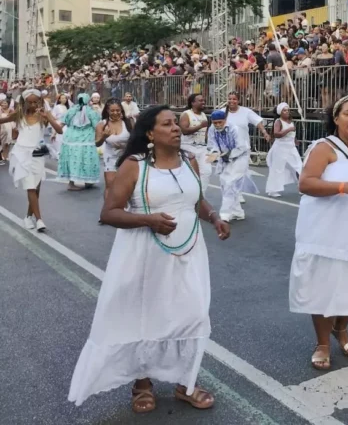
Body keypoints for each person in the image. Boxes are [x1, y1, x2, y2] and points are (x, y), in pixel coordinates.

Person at [68, 106, 230, 413]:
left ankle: (186, 382)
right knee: (146, 315)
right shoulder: (135, 165)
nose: (176, 128)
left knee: (191, 313)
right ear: (150, 134)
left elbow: (194, 200)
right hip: (145, 254)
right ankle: (142, 384)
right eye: (167, 124)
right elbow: (109, 212)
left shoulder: (190, 160)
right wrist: (149, 220)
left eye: (176, 123)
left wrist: (214, 217)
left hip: (189, 251)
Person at [289, 95, 348, 370]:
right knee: (323, 289)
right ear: (336, 118)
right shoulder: (324, 147)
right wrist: (342, 187)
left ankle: (340, 327)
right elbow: (305, 184)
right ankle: (322, 342)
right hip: (326, 234)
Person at [0, 89, 63, 232]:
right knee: (30, 187)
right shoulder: (19, 115)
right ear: (25, 102)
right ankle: (39, 219)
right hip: (22, 155)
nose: (33, 104)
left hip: (38, 154)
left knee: (36, 189)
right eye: (30, 102)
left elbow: (59, 131)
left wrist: (48, 117)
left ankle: (28, 217)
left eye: (36, 101)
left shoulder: (44, 116)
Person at [207, 110, 254, 222]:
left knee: (230, 184)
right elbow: (212, 144)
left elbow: (242, 147)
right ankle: (238, 212)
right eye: (215, 123)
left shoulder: (235, 129)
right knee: (224, 184)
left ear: (225, 120)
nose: (218, 125)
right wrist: (215, 153)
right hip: (224, 158)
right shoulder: (212, 129)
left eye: (220, 122)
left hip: (240, 157)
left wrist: (229, 154)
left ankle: (225, 214)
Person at [58, 93, 102, 191]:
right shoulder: (91, 112)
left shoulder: (72, 110)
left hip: (70, 139)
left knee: (73, 159)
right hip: (86, 139)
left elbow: (62, 122)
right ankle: (88, 181)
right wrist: (100, 138)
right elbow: (97, 126)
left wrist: (55, 132)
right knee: (87, 159)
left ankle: (72, 182)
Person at [265, 103, 303, 198]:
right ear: (280, 112)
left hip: (291, 148)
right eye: (284, 110)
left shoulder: (290, 121)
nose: (287, 112)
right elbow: (277, 134)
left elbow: (292, 134)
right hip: (280, 148)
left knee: (299, 167)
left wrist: (295, 140)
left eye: (288, 110)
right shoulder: (278, 121)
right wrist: (289, 129)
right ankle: (273, 190)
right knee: (277, 169)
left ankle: (302, 187)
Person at [179, 94, 211, 194]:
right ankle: (188, 196)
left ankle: (201, 197)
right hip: (188, 147)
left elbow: (205, 133)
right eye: (200, 101)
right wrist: (200, 126)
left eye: (203, 100)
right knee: (190, 173)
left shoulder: (203, 115)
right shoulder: (186, 114)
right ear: (193, 103)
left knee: (207, 172)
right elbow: (184, 131)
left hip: (202, 148)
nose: (203, 102)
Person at [49, 93, 70, 161]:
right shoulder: (57, 107)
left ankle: (65, 154)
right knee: (58, 140)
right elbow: (53, 116)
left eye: (65, 98)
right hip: (58, 124)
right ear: (59, 99)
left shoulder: (67, 107)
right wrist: (56, 121)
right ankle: (58, 153)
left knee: (65, 139)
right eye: (62, 98)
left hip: (66, 125)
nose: (64, 99)